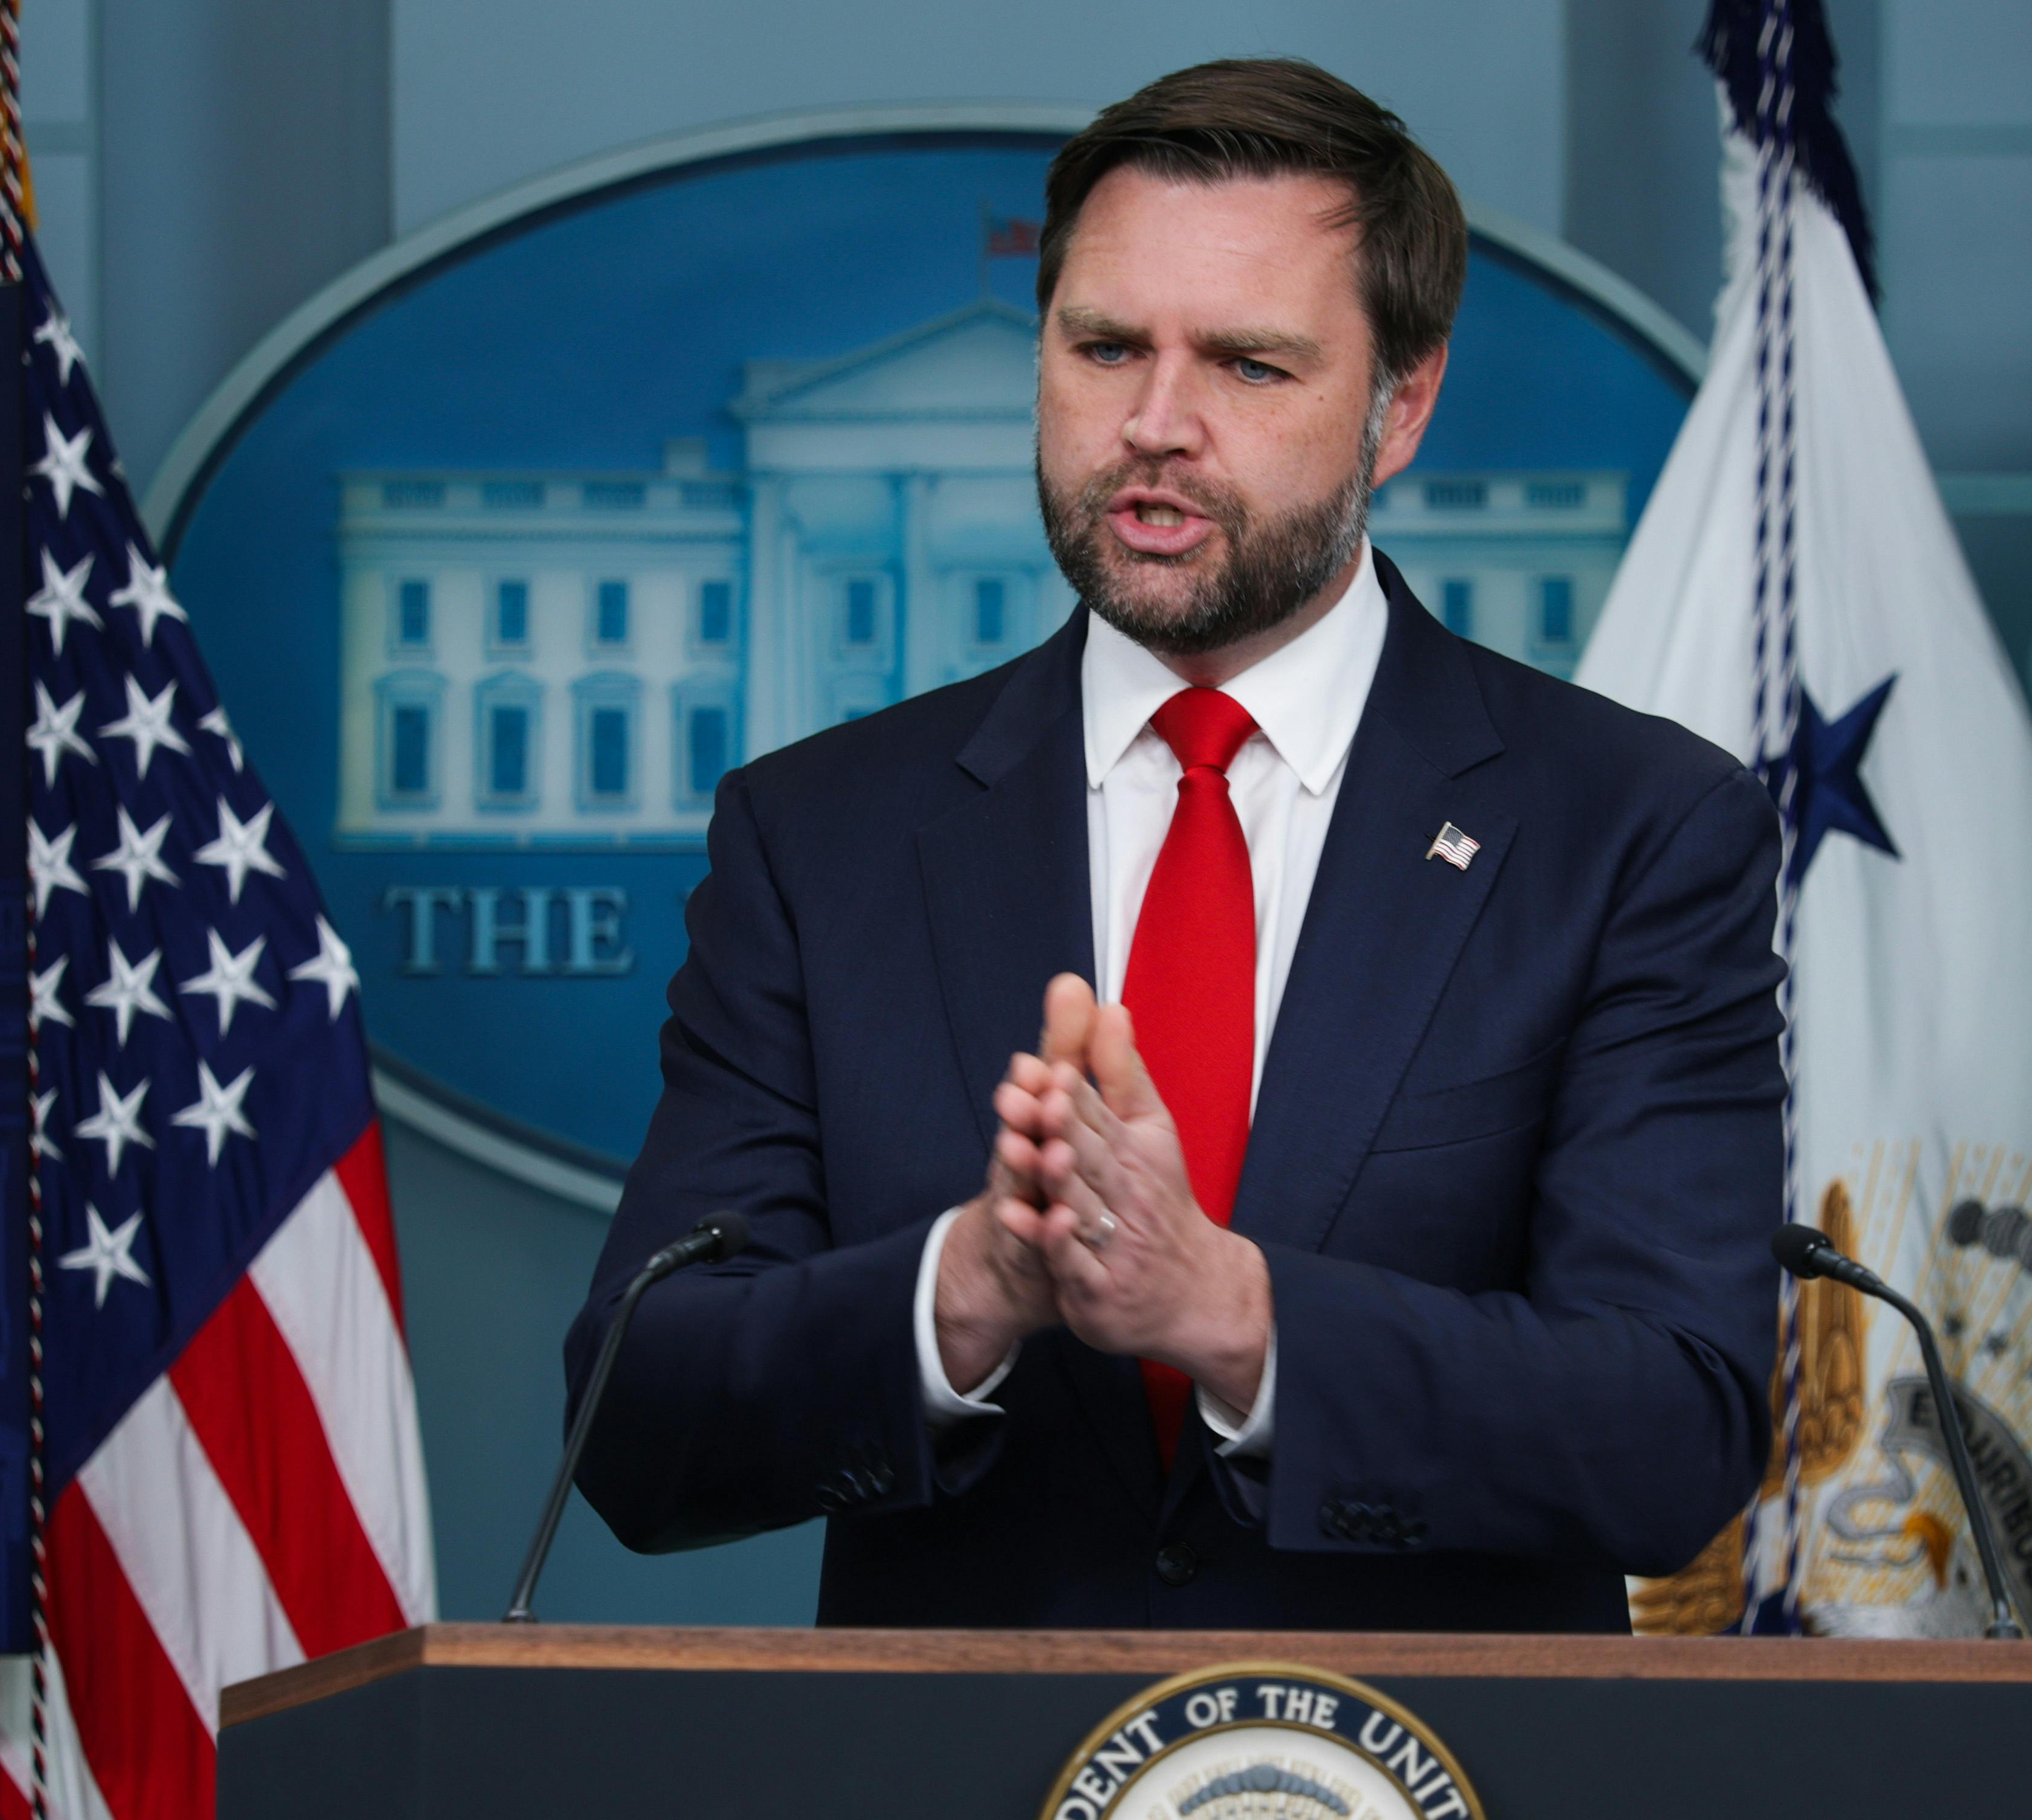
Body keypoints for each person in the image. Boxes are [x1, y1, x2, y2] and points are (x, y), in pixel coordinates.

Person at [567, 57, 1787, 1632]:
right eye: (1103, 349)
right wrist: (968, 1289)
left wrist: (1232, 1313)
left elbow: (1672, 1431)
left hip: (1427, 1753)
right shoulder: (820, 835)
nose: (1153, 425)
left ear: (1402, 404)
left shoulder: (1632, 828)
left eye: (1248, 365)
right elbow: (639, 1423)